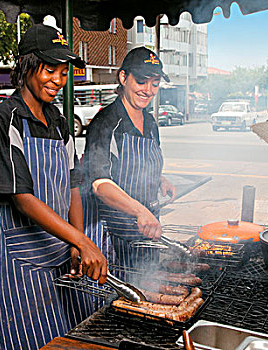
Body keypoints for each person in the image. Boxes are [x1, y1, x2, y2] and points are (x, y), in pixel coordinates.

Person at [0, 23, 107, 350]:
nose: (58, 80)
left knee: (70, 337)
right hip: (23, 259)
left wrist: (76, 243)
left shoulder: (59, 122)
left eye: (64, 72)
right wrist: (81, 239)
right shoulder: (6, 118)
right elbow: (22, 198)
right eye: (50, 69)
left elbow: (73, 186)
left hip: (60, 251)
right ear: (26, 65)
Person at [83, 47, 176, 273]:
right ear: (123, 77)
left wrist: (160, 178)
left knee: (149, 286)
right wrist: (140, 212)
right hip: (115, 236)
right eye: (142, 81)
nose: (148, 90)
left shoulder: (151, 122)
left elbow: (140, 162)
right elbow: (99, 183)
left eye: (154, 84)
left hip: (148, 230)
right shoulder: (105, 122)